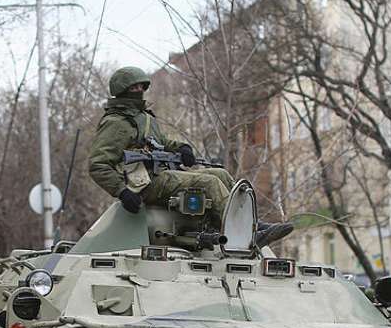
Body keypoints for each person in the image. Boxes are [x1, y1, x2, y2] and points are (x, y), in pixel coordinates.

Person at [88, 66, 293, 247]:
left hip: (160, 175)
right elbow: (98, 164)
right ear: (122, 90)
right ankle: (244, 234)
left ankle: (252, 224)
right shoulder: (117, 122)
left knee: (219, 173)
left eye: (142, 87)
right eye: (134, 88)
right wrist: (123, 192)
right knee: (208, 183)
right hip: (143, 185)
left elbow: (162, 144)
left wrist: (183, 149)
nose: (140, 91)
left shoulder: (143, 118)